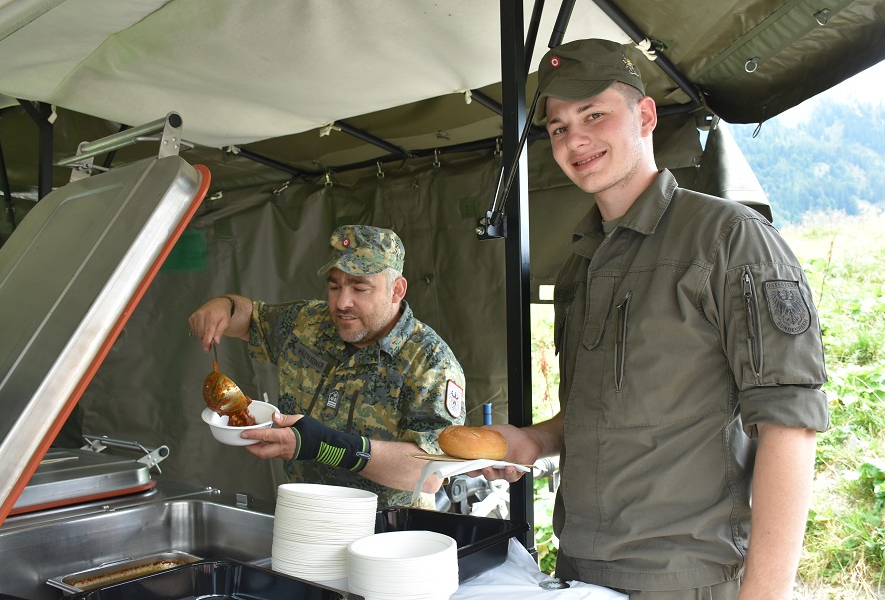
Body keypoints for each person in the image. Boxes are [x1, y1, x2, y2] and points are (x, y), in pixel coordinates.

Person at [478, 39, 829, 599]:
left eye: (594, 114)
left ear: (644, 116)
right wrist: (531, 440)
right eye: (559, 126)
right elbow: (608, 406)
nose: (576, 140)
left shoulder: (729, 239)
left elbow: (790, 425)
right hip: (578, 573)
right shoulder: (583, 258)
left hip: (684, 580)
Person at [188, 225, 466, 508]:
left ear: (396, 290)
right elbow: (250, 318)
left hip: (386, 535)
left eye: (359, 287)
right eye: (335, 286)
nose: (342, 302)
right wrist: (224, 306)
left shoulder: (430, 362)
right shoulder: (307, 322)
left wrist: (325, 446)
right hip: (303, 519)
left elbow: (431, 472)